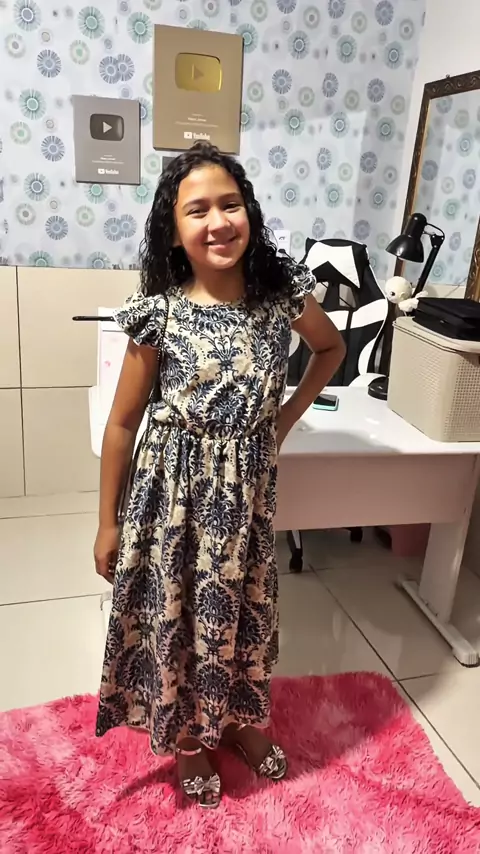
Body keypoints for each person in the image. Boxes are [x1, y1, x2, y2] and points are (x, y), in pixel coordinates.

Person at [94, 142, 345, 809]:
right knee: (179, 618)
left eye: (230, 204)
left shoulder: (280, 297)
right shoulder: (161, 312)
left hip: (246, 502)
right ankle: (188, 740)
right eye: (197, 209)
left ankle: (233, 720)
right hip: (171, 505)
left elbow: (330, 347)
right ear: (173, 229)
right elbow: (121, 424)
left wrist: (283, 420)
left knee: (240, 612)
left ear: (250, 213)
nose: (218, 222)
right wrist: (106, 523)